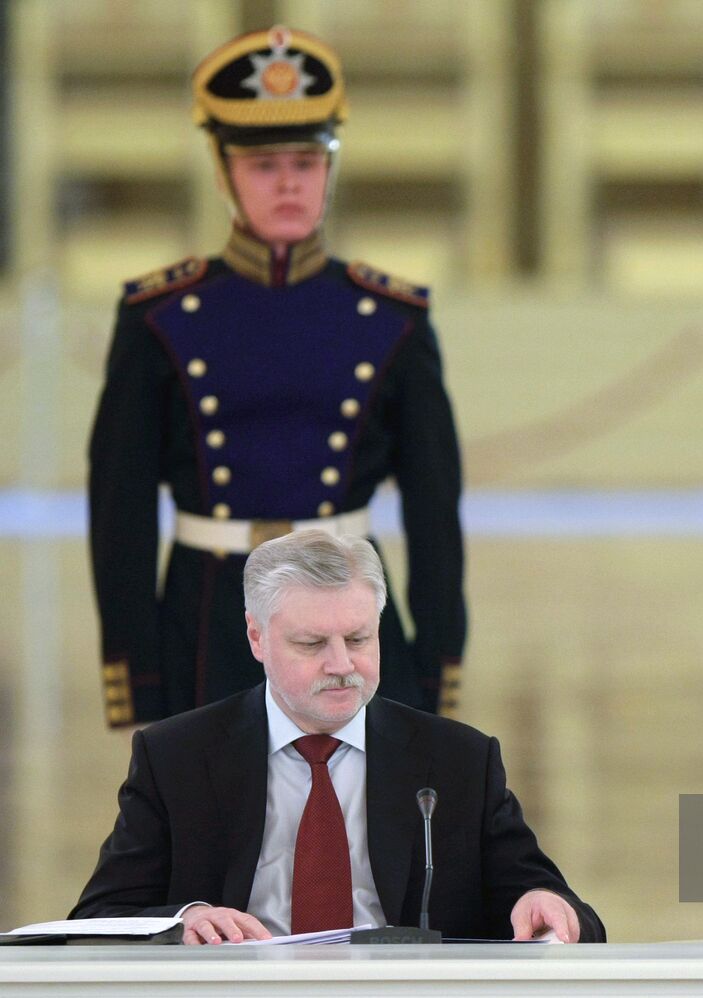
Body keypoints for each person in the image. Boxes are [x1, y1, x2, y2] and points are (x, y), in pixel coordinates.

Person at [88, 25, 465, 728]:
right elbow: (121, 511)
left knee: (362, 828)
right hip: (209, 622)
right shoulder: (159, 317)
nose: (289, 182)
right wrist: (134, 673)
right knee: (216, 831)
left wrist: (439, 659)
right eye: (263, 165)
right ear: (223, 170)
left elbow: (435, 512)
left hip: (348, 613)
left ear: (332, 166)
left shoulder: (391, 318)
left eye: (307, 160)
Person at [71, 530, 603, 944]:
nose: (342, 664)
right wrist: (186, 921)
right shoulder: (176, 757)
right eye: (311, 643)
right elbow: (95, 920)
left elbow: (558, 906)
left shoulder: (458, 760)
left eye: (358, 637)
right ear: (257, 637)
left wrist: (545, 903)